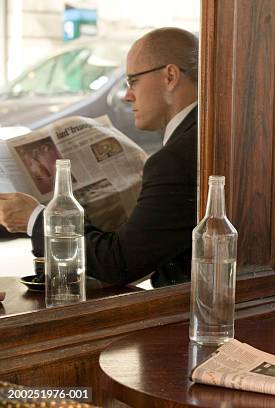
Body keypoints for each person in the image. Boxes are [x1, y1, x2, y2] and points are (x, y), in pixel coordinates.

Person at [0, 27, 199, 287]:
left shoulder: (175, 159)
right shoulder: (203, 136)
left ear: (170, 76)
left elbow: (118, 262)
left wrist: (35, 219)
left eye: (133, 81)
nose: (128, 95)